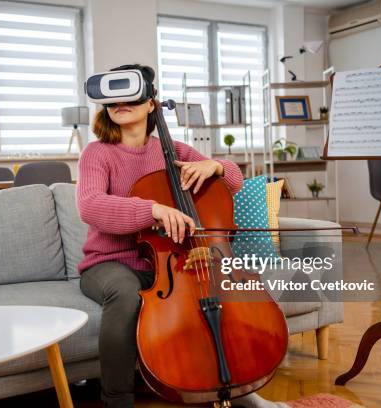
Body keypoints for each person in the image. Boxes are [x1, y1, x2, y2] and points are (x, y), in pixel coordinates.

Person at [77, 64, 281, 408]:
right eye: (113, 101)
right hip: (110, 264)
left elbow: (234, 181)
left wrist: (216, 166)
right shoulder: (97, 153)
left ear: (151, 103)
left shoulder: (175, 152)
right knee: (126, 296)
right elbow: (90, 206)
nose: (121, 104)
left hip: (172, 263)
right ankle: (117, 401)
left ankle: (235, 387)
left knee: (216, 294)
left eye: (131, 97)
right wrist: (153, 209)